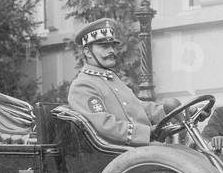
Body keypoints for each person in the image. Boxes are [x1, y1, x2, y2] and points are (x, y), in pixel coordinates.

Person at [67, 17, 181, 146]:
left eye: (112, 46)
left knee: (191, 155)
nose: (111, 51)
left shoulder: (112, 79)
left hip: (141, 149)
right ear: (88, 52)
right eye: (104, 46)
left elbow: (140, 107)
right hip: (121, 154)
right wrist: (147, 132)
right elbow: (105, 125)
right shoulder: (83, 86)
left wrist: (174, 112)